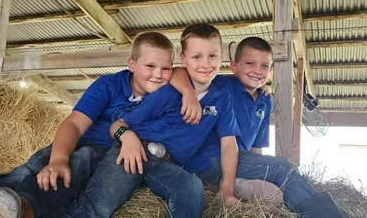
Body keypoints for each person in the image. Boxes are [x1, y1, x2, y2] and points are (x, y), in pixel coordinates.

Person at [0, 31, 177, 218]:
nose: (158, 74)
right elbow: (75, 124)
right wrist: (58, 158)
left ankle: (22, 208)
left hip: (105, 155)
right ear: (131, 64)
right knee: (31, 168)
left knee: (78, 162)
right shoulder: (109, 85)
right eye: (150, 66)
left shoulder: (168, 97)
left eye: (166, 68)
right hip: (81, 141)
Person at [61, 23, 241, 218]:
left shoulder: (223, 97)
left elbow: (229, 143)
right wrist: (128, 138)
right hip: (135, 151)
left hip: (166, 165)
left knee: (191, 187)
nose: (206, 64)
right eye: (197, 57)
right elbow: (117, 125)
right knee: (98, 207)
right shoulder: (167, 92)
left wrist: (227, 187)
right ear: (183, 60)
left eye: (212, 56)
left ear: (221, 56)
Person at [171, 36, 345, 218]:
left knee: (274, 181)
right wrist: (188, 92)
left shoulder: (265, 101)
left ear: (270, 70)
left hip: (238, 162)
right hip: (210, 160)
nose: (257, 71)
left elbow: (255, 148)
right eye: (250, 63)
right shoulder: (222, 85)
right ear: (233, 66)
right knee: (282, 168)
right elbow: (176, 72)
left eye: (264, 66)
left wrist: (261, 171)